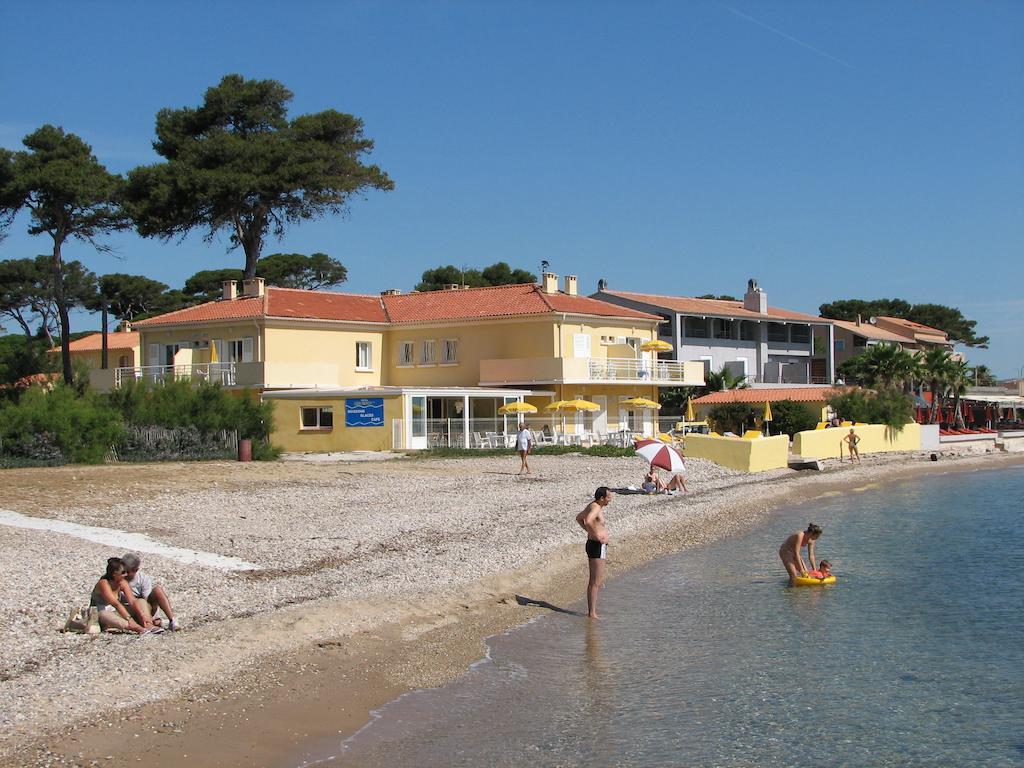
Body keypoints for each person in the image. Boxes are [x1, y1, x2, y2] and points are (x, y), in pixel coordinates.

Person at [575, 487, 612, 619]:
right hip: (596, 545)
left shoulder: (592, 505)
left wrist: (590, 532)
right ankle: (592, 613)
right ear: (602, 498)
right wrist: (596, 536)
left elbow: (579, 518)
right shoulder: (596, 508)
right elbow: (589, 520)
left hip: (593, 544)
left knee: (594, 581)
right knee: (596, 582)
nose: (610, 500)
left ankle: (592, 612)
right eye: (608, 498)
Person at [121, 552, 181, 631]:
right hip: (127, 609)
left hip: (144, 608)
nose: (125, 574)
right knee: (139, 602)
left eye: (128, 572)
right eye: (123, 571)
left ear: (136, 570)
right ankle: (152, 623)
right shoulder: (119, 579)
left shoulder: (143, 579)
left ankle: (172, 620)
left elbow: (146, 600)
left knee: (157, 590)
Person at [90, 557, 149, 634]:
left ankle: (148, 624)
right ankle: (135, 627)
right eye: (123, 572)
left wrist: (142, 615)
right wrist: (129, 619)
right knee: (104, 614)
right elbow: (115, 604)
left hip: (117, 612)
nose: (126, 575)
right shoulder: (103, 583)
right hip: (102, 613)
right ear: (114, 574)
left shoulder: (122, 582)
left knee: (141, 601)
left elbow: (132, 601)